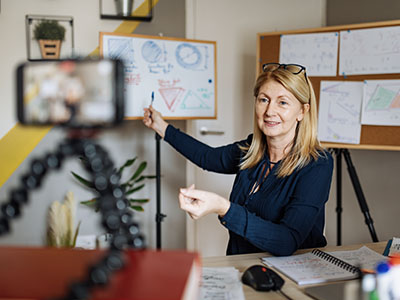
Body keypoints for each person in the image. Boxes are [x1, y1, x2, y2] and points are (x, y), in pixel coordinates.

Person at [143, 63, 333, 256]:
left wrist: (222, 207)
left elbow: (286, 241)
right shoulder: (251, 149)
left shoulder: (317, 164)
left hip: (293, 275)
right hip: (244, 266)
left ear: (302, 111)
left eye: (282, 102)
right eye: (264, 100)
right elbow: (208, 158)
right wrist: (161, 127)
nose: (269, 111)